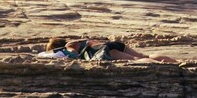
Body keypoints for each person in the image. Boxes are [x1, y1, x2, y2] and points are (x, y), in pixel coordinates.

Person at [45, 37, 177, 63]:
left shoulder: (68, 46)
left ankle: (160, 66)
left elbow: (74, 55)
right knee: (143, 55)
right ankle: (174, 61)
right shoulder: (76, 41)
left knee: (136, 60)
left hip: (104, 51)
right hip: (111, 44)